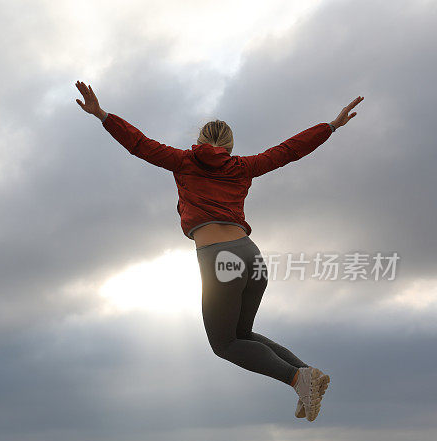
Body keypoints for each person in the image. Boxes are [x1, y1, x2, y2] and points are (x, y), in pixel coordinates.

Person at [75, 80, 363, 421]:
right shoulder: (242, 167)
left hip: (219, 258)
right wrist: (330, 126)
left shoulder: (182, 161)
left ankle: (298, 378)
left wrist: (103, 115)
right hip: (251, 255)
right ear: (228, 145)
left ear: (199, 140)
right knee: (242, 336)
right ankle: (307, 374)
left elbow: (138, 144)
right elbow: (289, 150)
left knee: (224, 345)